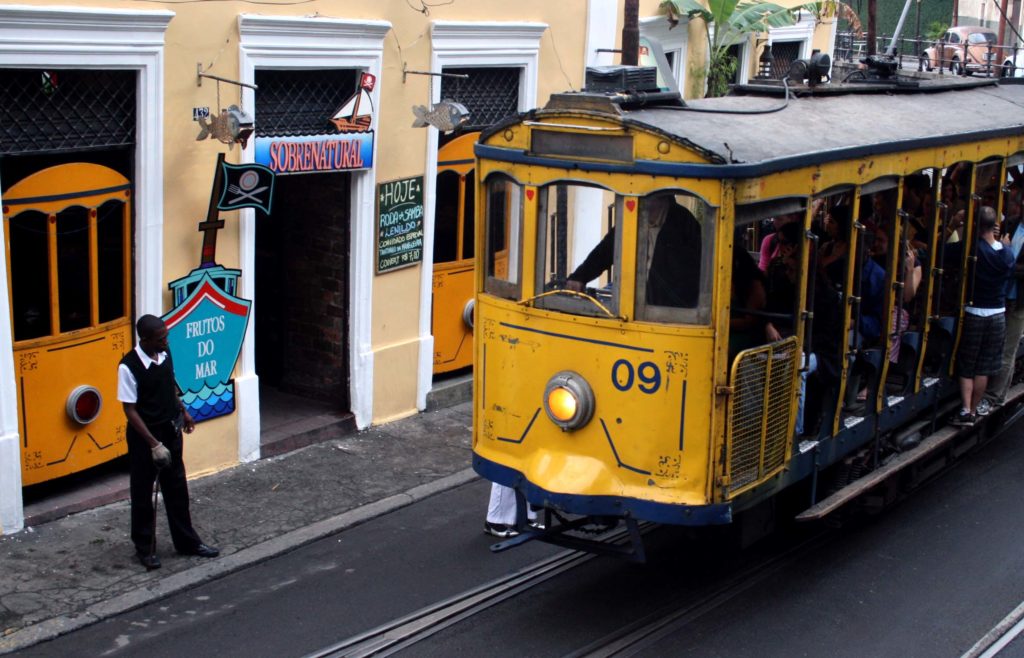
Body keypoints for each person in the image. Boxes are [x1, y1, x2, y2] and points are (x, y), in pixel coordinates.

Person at [118, 314, 219, 569]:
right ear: (146, 339)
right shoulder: (128, 367)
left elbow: (169, 385)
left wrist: (183, 411)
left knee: (177, 490)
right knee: (143, 494)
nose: (166, 341)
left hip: (170, 431)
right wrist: (153, 444)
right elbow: (129, 409)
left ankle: (187, 542)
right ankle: (145, 548)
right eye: (161, 338)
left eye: (166, 336)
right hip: (146, 439)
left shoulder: (164, 354)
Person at [566, 195, 701, 308]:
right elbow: (605, 250)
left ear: (660, 197)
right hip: (631, 306)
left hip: (669, 314)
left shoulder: (683, 221)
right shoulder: (633, 218)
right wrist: (580, 277)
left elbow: (698, 270)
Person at [951, 206, 1015, 426]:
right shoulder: (1006, 254)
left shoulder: (974, 250)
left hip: (975, 312)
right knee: (984, 365)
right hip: (997, 314)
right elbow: (1004, 253)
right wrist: (1005, 243)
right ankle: (976, 408)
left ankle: (966, 409)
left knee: (968, 362)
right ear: (994, 225)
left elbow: (950, 251)